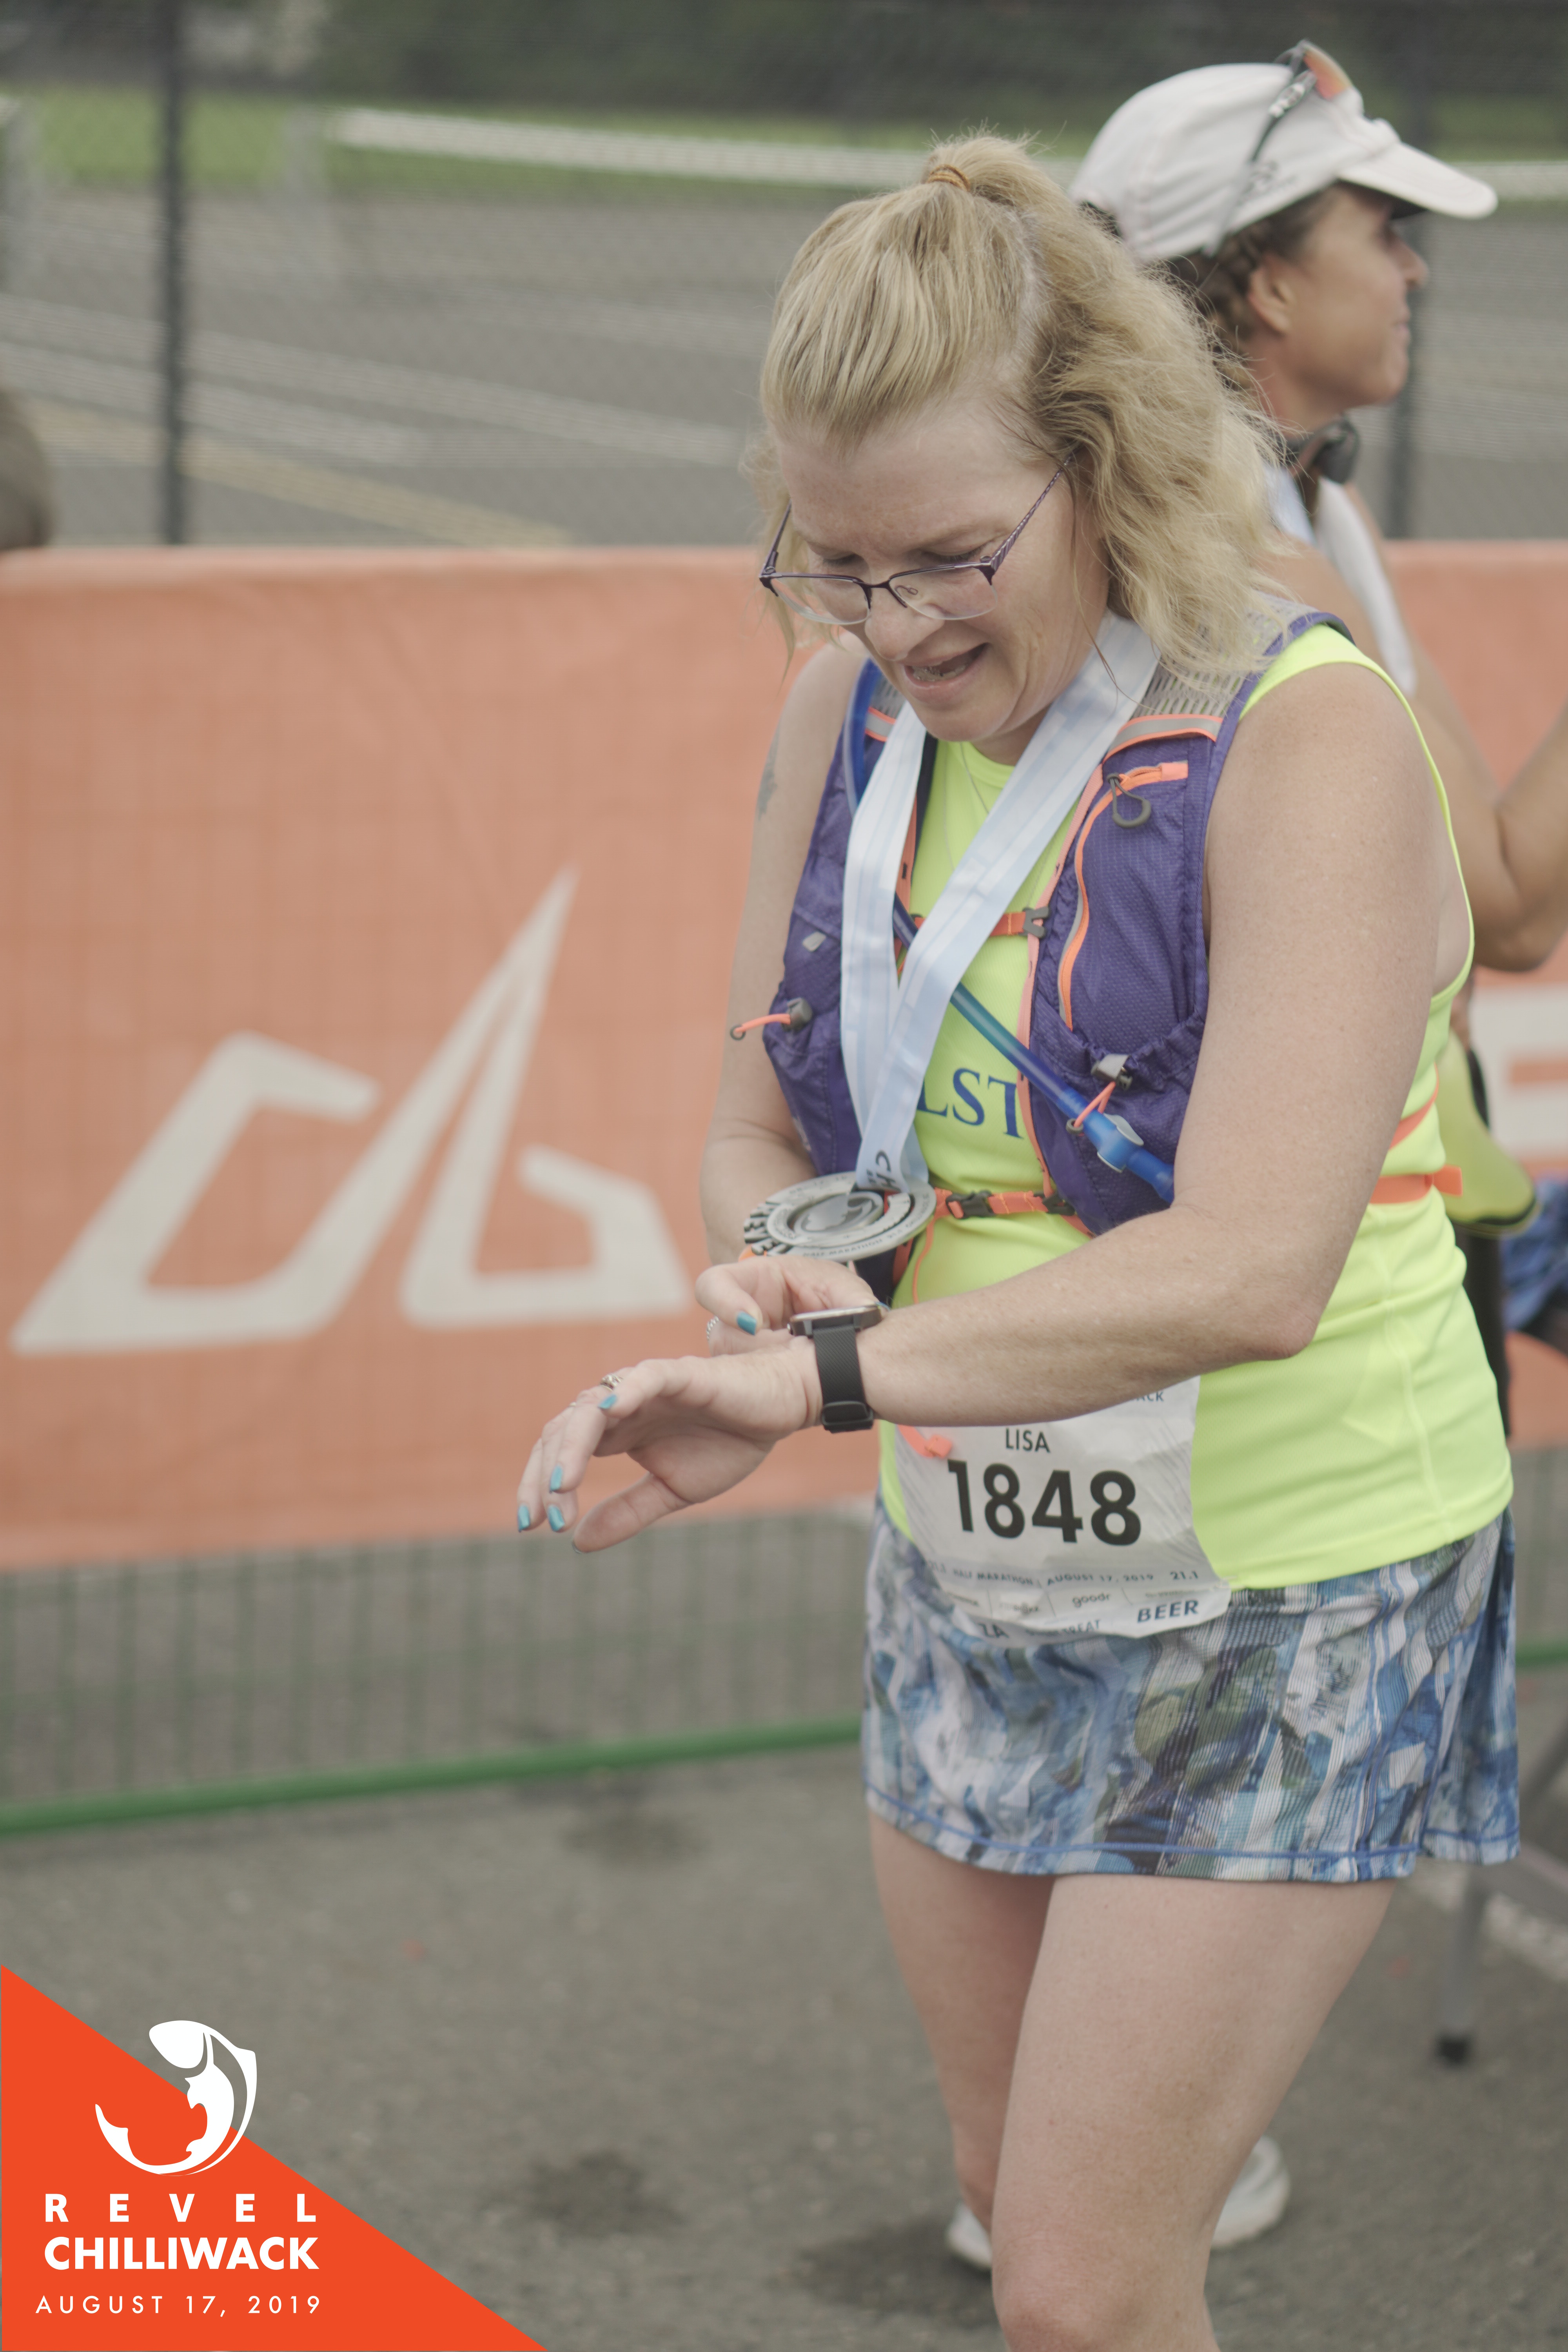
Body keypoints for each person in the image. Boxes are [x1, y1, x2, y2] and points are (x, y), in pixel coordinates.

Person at [517, 136, 1516, 2352]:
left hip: (1292, 1582)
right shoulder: (840, 712)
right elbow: (757, 1123)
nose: (896, 626)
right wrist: (784, 1272)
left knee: (1079, 2286)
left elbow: (1251, 1268)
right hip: (972, 1556)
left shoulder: (1298, 731)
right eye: (836, 560)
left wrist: (815, 1380)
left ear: (1107, 459)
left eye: (952, 556)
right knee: (1006, 2204)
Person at [1072, 45, 1568, 1426]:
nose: (1413, 269)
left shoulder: (1297, 505)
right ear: (1271, 285)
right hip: (1341, 1252)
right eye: (1384, 228)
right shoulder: (1245, 547)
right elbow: (1511, 905)